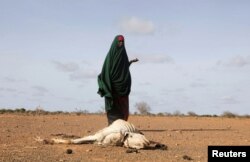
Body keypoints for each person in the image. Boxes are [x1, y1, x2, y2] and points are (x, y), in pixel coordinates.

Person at [97, 35, 138, 125]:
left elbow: (123, 68)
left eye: (122, 42)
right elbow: (106, 69)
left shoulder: (124, 55)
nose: (121, 43)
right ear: (115, 43)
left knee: (122, 107)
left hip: (122, 86)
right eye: (119, 42)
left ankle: (122, 124)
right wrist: (106, 82)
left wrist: (130, 62)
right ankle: (112, 124)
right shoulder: (110, 55)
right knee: (113, 105)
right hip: (112, 86)